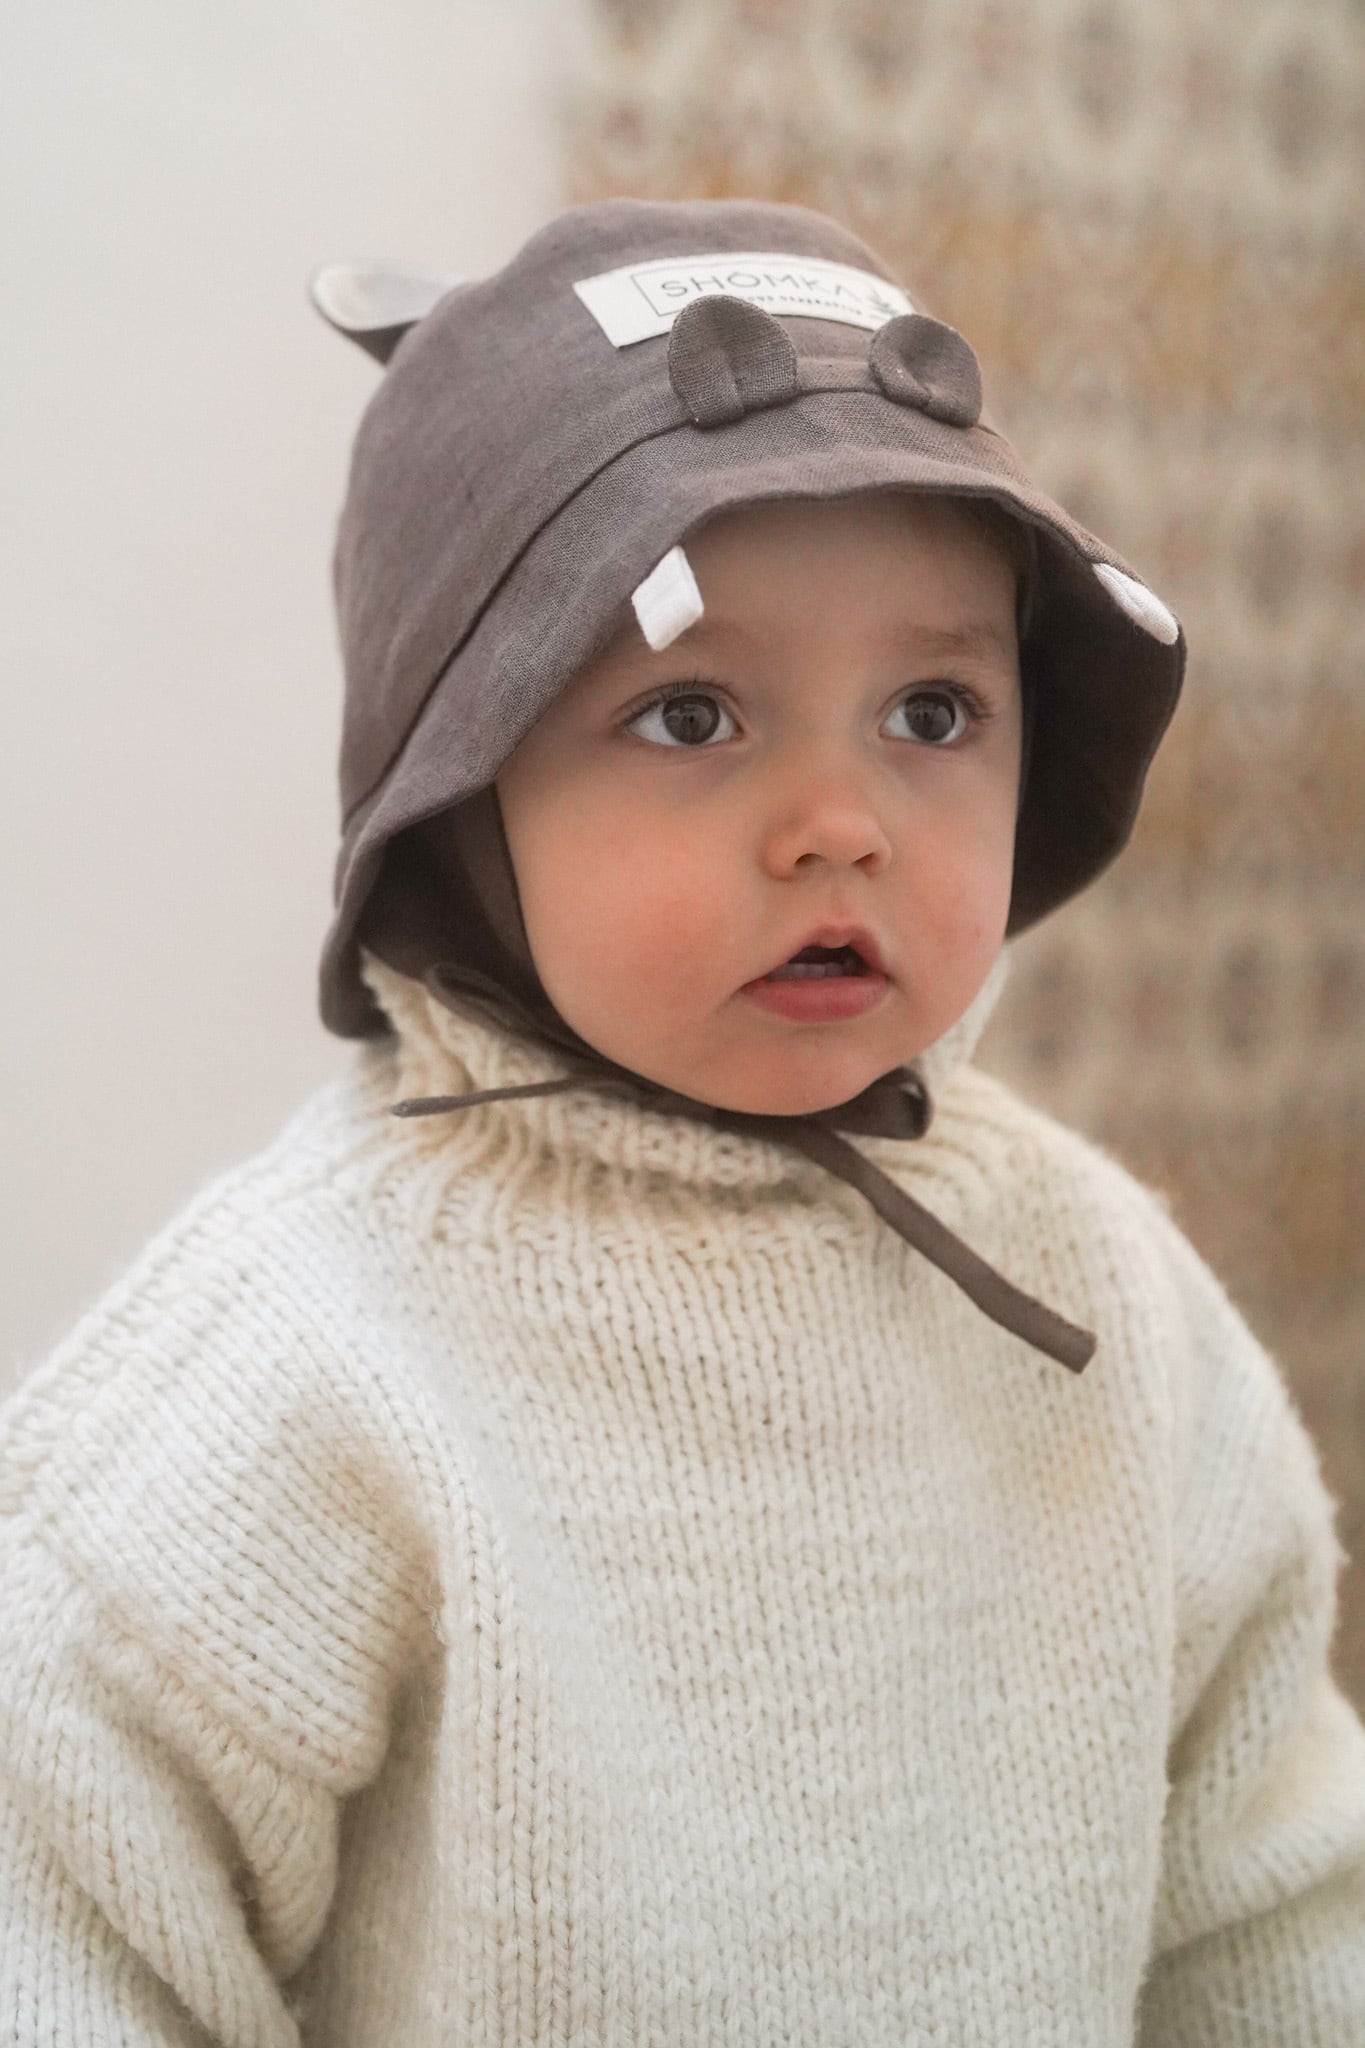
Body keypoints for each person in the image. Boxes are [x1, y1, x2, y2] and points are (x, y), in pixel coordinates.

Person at [2, 196, 1362, 2046]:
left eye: (932, 710)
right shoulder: (299, 1355)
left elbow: (1275, 1903)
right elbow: (55, 1920)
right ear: (461, 796)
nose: (838, 823)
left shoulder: (1100, 1294)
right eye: (693, 713)